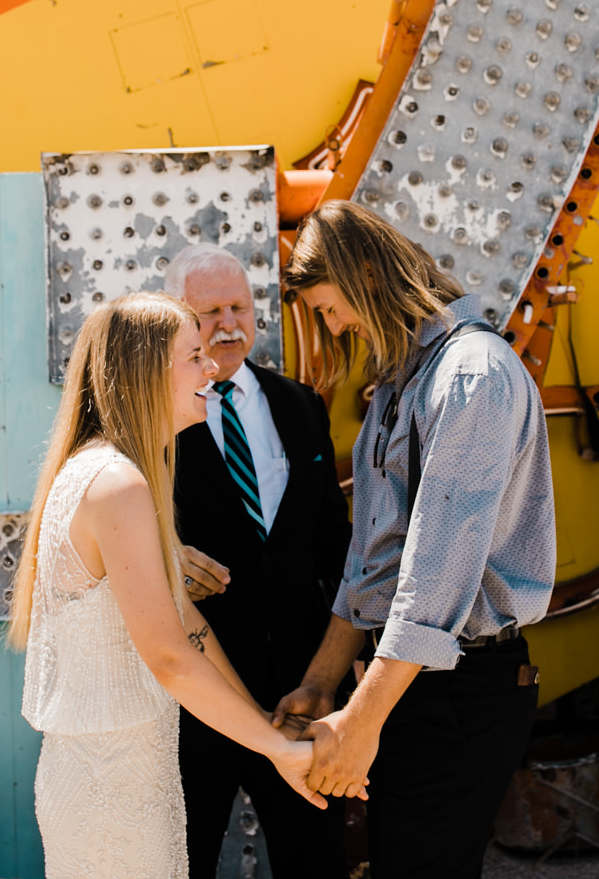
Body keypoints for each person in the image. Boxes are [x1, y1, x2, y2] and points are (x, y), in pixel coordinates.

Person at [7, 293, 338, 878]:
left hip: (131, 774)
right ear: (147, 372)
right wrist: (280, 749)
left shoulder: (114, 471)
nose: (211, 367)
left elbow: (193, 630)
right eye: (193, 356)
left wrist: (264, 727)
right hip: (111, 786)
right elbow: (170, 657)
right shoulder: (117, 484)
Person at [281, 200, 556, 879]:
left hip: (462, 689)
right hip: (413, 684)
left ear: (368, 274)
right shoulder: (397, 384)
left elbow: (435, 578)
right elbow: (371, 565)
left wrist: (360, 722)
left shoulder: (470, 377)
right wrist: (321, 686)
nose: (332, 325)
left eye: (327, 307)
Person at [162, 245, 353, 879]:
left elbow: (331, 540)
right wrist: (169, 554)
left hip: (299, 696)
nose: (229, 324)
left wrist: (333, 673)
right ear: (179, 320)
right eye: (209, 311)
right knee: (183, 861)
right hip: (198, 700)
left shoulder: (301, 405)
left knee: (316, 861)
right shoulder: (153, 417)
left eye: (239, 307)